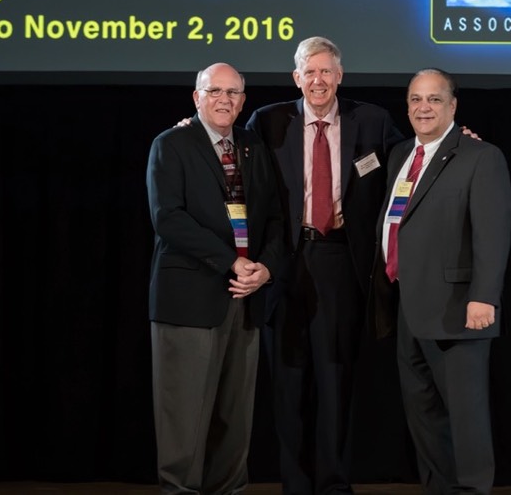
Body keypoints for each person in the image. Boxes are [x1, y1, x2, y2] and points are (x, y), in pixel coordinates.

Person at [245, 37, 405, 495]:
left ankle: (334, 484)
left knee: (336, 380)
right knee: (288, 383)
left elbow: (412, 161)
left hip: (339, 261)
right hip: (285, 262)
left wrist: (455, 139)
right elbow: (230, 155)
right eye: (308, 72)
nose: (317, 80)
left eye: (326, 71)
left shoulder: (371, 121)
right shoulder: (268, 121)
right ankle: (295, 484)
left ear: (340, 75)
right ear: (296, 78)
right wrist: (191, 129)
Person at [146, 62, 286, 495]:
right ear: (196, 97)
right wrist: (230, 261)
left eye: (233, 93)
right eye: (215, 91)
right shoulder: (171, 143)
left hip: (246, 299)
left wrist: (265, 267)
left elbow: (276, 217)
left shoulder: (252, 146)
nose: (224, 100)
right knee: (183, 420)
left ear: (244, 101)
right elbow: (168, 219)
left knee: (236, 417)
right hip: (190, 297)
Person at [371, 68, 511, 495]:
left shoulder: (480, 156)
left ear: (453, 106)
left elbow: (492, 231)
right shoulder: (400, 155)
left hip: (458, 309)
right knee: (424, 416)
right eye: (416, 99)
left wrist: (484, 297)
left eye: (434, 99)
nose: (423, 107)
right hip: (408, 308)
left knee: (466, 419)